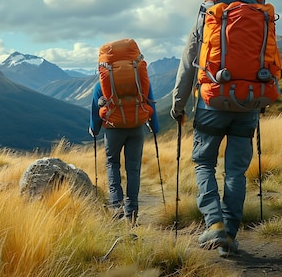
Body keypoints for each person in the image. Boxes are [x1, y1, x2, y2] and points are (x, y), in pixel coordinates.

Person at [171, 17, 259, 258]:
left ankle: (215, 224)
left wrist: (178, 107)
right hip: (248, 104)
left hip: (212, 104)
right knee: (236, 172)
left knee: (204, 163)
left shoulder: (206, 21)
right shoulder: (261, 19)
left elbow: (187, 66)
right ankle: (229, 236)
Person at [89, 80, 159, 226]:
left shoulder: (102, 82)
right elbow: (150, 103)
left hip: (113, 128)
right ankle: (132, 212)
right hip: (136, 128)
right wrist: (154, 126)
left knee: (112, 163)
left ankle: (116, 205)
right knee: (133, 169)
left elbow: (96, 109)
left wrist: (94, 129)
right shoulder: (140, 78)